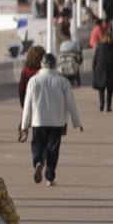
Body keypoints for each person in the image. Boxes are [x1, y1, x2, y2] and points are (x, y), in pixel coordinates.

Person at [19, 53, 83, 187]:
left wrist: (24, 125)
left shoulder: (34, 80)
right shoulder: (63, 81)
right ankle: (50, 176)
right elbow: (71, 103)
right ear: (55, 65)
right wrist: (77, 122)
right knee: (53, 149)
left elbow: (27, 104)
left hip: (38, 121)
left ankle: (38, 161)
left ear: (42, 65)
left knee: (37, 145)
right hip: (57, 122)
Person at [92, 27, 113, 112]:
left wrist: (94, 69)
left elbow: (95, 59)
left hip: (100, 70)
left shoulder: (99, 46)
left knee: (101, 89)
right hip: (111, 70)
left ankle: (101, 105)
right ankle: (108, 106)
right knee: (110, 89)